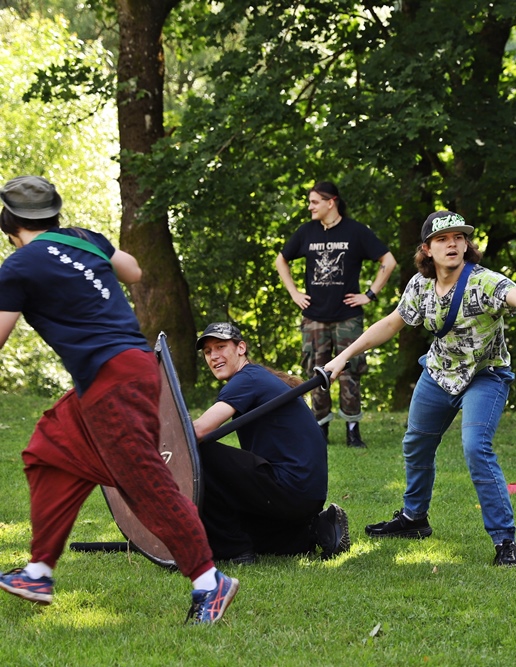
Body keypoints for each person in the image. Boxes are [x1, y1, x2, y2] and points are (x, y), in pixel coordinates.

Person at [0, 176, 237, 624]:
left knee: (143, 481)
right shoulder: (84, 239)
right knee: (49, 450)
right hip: (125, 371)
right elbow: (133, 271)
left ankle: (210, 581)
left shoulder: (19, 266)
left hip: (113, 383)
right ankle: (38, 572)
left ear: (9, 223)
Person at [323, 210, 516, 566]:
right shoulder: (420, 286)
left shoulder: (484, 282)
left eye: (458, 237)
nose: (452, 244)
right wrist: (342, 357)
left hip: (485, 376)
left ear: (467, 244)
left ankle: (505, 541)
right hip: (439, 374)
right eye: (442, 239)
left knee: (475, 447)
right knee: (416, 444)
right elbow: (391, 323)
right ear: (427, 249)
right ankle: (414, 518)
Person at [191, 322, 351, 564]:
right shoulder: (256, 376)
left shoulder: (247, 379)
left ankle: (235, 551)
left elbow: (198, 432)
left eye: (220, 347)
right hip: (304, 497)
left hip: (290, 487)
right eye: (207, 352)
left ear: (241, 348)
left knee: (200, 454)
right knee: (230, 527)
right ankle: (315, 530)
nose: (213, 356)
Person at [276, 180, 397, 448]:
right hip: (314, 317)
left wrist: (369, 294)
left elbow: (388, 261)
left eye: (314, 202)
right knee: (316, 373)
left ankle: (353, 431)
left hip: (347, 317)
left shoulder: (356, 231)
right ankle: (320, 430)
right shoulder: (306, 232)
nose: (310, 207)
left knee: (350, 372)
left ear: (331, 202)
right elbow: (281, 260)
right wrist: (294, 293)